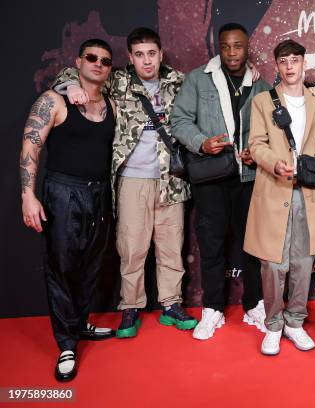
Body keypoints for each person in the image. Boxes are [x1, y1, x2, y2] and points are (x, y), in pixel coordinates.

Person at [52, 27, 196, 338]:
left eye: (152, 54)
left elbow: (208, 95)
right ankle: (131, 306)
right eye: (140, 55)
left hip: (171, 178)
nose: (147, 61)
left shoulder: (179, 82)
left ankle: (171, 303)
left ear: (161, 54)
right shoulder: (117, 80)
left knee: (172, 246)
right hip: (131, 178)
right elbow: (70, 70)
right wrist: (69, 86)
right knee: (132, 247)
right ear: (130, 57)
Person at [20, 39, 116, 381]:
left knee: (91, 265)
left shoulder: (111, 104)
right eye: (91, 58)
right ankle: (66, 344)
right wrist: (27, 195)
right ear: (78, 62)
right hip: (63, 192)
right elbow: (31, 144)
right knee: (62, 266)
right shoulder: (54, 100)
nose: (98, 64)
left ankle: (78, 323)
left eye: (105, 60)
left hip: (100, 194)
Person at [171, 23, 271, 339]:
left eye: (238, 46)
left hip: (249, 177)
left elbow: (271, 128)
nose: (231, 52)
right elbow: (179, 120)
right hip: (211, 175)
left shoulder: (260, 84)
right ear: (219, 46)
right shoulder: (197, 79)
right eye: (226, 46)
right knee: (211, 244)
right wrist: (201, 142)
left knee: (253, 245)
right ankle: (212, 308)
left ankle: (254, 305)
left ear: (247, 47)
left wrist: (257, 151)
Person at [244, 39, 315, 356]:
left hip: (308, 193)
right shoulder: (263, 102)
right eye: (283, 60)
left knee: (304, 263)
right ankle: (273, 324)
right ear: (277, 66)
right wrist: (273, 163)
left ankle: (295, 321)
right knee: (273, 265)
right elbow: (256, 143)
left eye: (295, 59)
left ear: (304, 63)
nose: (290, 65)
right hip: (274, 189)